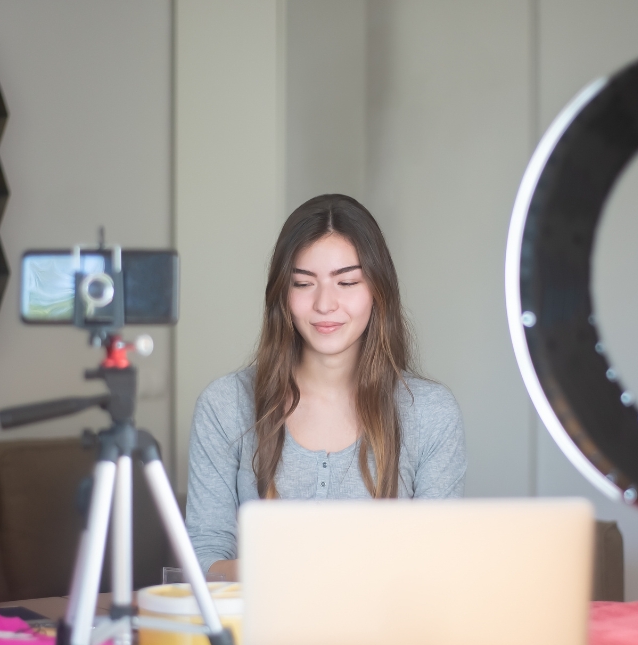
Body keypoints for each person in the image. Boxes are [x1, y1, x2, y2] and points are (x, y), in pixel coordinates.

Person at [185, 194, 466, 579]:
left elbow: (439, 565)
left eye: (347, 281)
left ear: (378, 291)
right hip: (259, 635)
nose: (325, 304)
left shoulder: (431, 413)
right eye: (303, 283)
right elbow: (203, 562)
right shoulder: (224, 405)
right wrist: (295, 570)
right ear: (282, 295)